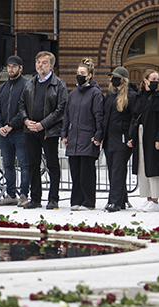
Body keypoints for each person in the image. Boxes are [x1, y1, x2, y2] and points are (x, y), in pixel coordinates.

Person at [17, 50, 67, 210]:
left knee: (52, 165)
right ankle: (35, 198)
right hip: (30, 131)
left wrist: (42, 124)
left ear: (51, 65)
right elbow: (21, 104)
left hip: (49, 131)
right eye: (38, 62)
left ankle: (53, 199)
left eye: (44, 62)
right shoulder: (29, 83)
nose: (40, 65)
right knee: (33, 165)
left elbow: (61, 109)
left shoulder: (58, 84)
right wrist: (26, 120)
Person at [62, 58, 104, 211]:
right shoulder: (73, 94)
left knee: (87, 171)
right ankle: (76, 200)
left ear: (90, 75)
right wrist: (64, 134)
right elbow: (67, 115)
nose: (79, 75)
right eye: (78, 72)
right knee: (75, 171)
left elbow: (99, 116)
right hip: (73, 137)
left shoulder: (95, 94)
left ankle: (88, 201)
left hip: (88, 137)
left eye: (83, 73)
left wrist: (99, 135)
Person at [128, 69, 159, 212]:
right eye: (153, 79)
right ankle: (147, 198)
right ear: (145, 80)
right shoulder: (138, 97)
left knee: (153, 166)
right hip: (139, 133)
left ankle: (155, 199)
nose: (155, 82)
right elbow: (134, 117)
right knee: (142, 166)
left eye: (157, 79)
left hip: (153, 134)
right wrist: (130, 136)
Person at [0, 55, 30, 207]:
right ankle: (11, 194)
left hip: (20, 131)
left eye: (14, 66)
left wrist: (11, 125)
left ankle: (24, 194)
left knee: (24, 164)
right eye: (9, 66)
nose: (11, 69)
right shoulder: (2, 87)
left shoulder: (27, 85)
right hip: (4, 133)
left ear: (20, 68)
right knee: (7, 164)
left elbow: (25, 109)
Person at [102, 66, 136, 213]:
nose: (113, 79)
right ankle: (121, 199)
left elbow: (135, 117)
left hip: (123, 138)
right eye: (112, 77)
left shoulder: (132, 95)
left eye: (117, 77)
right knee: (112, 169)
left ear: (123, 79)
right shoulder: (110, 95)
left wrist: (130, 134)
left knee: (118, 169)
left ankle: (114, 201)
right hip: (109, 138)